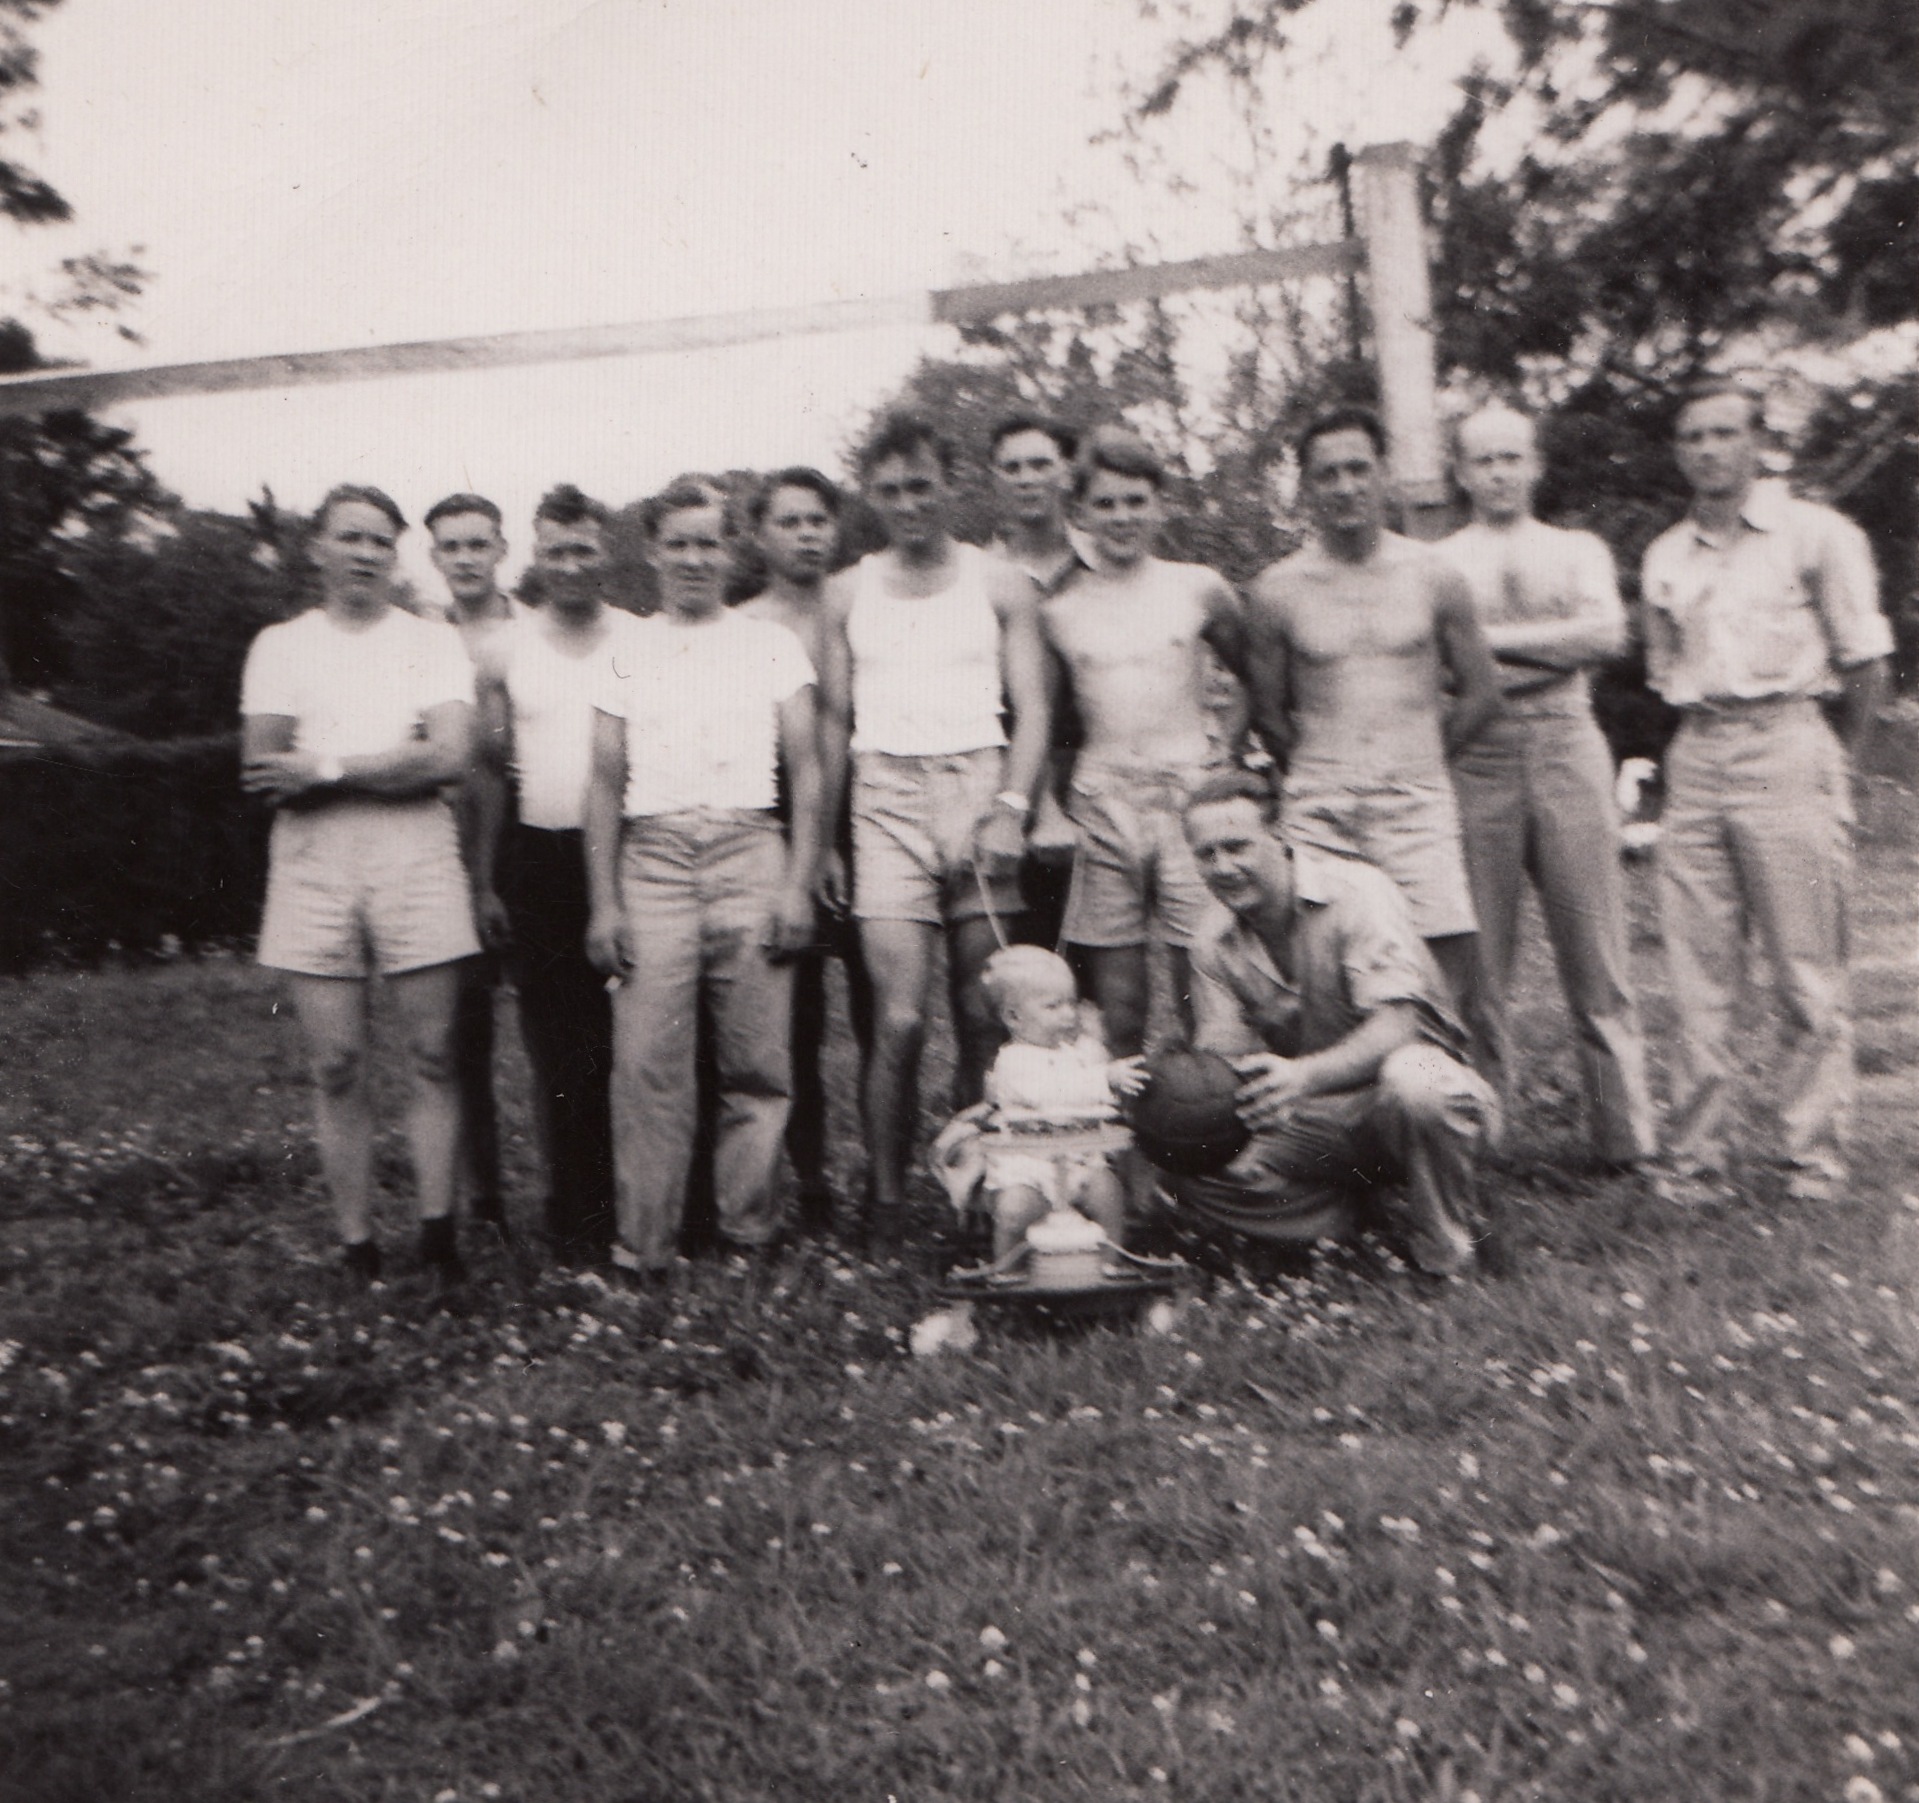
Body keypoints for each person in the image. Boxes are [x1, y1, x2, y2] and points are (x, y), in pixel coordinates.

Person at [1641, 381, 1892, 1203]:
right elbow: (1663, 668)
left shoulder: (1816, 535)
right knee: (1695, 973)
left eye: (1723, 433)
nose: (1706, 449)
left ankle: (1811, 1157)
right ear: (1677, 451)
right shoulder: (1665, 556)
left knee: (1805, 968)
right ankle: (1694, 1159)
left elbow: (1864, 663)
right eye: (1690, 436)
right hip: (1698, 751)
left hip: (1788, 740)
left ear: (1757, 442)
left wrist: (1834, 765)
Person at [817, 411, 1051, 1253]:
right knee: (901, 1019)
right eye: (888, 491)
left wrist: (1009, 810)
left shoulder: (1000, 582)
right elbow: (834, 720)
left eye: (922, 485)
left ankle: (984, 1186)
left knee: (983, 1013)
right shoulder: (847, 590)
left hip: (979, 783)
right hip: (884, 794)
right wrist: (828, 842)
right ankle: (882, 1201)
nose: (908, 503)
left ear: (950, 483)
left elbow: (1034, 709)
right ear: (868, 497)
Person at [586, 479, 823, 1281]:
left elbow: (808, 769)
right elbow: (602, 782)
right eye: (678, 543)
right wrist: (604, 902)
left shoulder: (769, 644)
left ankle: (747, 1233)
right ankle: (645, 1246)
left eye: (708, 542)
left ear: (732, 550)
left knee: (756, 1061)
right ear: (651, 551)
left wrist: (796, 884)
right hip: (651, 858)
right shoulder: (622, 647)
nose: (694, 558)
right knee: (649, 1060)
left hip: (748, 848)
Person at [240, 485, 477, 1285]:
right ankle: (357, 1245)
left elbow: (448, 756)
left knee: (434, 1052)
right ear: (317, 546)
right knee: (337, 1061)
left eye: (381, 540)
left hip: (417, 855)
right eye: (351, 537)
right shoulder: (280, 645)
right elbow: (269, 771)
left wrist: (330, 765)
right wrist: (388, 764)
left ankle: (440, 1236)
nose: (367, 553)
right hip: (313, 864)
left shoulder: (432, 640)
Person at [1170, 771, 1498, 1276]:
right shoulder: (1212, 941)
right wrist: (1170, 1094)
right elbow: (1222, 1056)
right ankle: (1358, 1225)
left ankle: (1447, 1248)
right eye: (1206, 854)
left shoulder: (1357, 892)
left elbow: (1399, 1026)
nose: (1223, 868)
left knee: (1414, 1081)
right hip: (1318, 1115)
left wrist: (1300, 1077)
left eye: (1237, 847)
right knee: (1197, 1163)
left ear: (1277, 836)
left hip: (1425, 1100)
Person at [1440, 404, 1656, 1166]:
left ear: (1535, 464)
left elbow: (1603, 635)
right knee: (1477, 966)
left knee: (1594, 953)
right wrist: (1543, 646)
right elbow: (1438, 663)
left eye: (1511, 456)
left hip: (1567, 738)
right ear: (1460, 472)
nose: (1498, 472)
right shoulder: (1440, 562)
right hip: (1477, 750)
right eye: (1482, 459)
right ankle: (1481, 1139)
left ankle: (1620, 1139)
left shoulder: (1576, 549)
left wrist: (1481, 642)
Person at [1244, 407, 1501, 1008]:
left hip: (1416, 800)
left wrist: (1419, 758)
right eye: (1327, 474)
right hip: (1320, 806)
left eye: (1359, 469)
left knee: (1438, 982)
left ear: (1385, 474)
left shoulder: (1435, 575)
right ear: (1305, 487)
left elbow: (1482, 694)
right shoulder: (1277, 590)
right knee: (1324, 975)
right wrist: (1324, 766)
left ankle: (1449, 1096)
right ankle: (1345, 1099)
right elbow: (1268, 712)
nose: (1346, 487)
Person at [469, 485, 643, 1259]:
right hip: (539, 856)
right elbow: (484, 771)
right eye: (556, 551)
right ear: (535, 557)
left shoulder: (643, 638)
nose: (571, 565)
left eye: (585, 549)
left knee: (631, 1043)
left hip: (633, 852)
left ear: (609, 553)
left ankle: (642, 1202)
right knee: (557, 1047)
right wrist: (482, 880)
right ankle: (574, 1216)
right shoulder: (505, 648)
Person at [1042, 425, 1252, 1054]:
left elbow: (1256, 676)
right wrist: (1050, 809)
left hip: (1191, 797)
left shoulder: (1198, 587)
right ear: (1078, 512)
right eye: (1105, 504)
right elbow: (1054, 727)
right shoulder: (1059, 606)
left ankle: (1213, 1136)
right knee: (1120, 1007)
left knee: (1207, 990)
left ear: (1161, 503)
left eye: (1136, 501)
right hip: (1102, 803)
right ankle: (1118, 1145)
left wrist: (1230, 748)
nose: (1122, 517)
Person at [738, 467, 874, 1231]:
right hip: (782, 821)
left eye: (818, 519)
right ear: (759, 535)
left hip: (877, 812)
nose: (806, 533)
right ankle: (812, 1178)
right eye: (788, 521)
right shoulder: (746, 623)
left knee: (883, 1011)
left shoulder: (863, 605)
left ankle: (888, 1174)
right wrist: (812, 846)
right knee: (795, 1021)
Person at [425, 491, 518, 1235]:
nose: (465, 558)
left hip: (542, 834)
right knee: (462, 1035)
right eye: (450, 546)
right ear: (433, 557)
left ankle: (584, 1189)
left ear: (500, 550)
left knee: (571, 1029)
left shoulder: (532, 633)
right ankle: (484, 1198)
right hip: (455, 846)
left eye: (476, 544)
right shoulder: (418, 639)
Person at [985, 412, 1091, 948]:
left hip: (1098, 772)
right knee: (1029, 957)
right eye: (1012, 467)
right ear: (994, 479)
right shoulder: (976, 577)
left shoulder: (1108, 560)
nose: (1027, 478)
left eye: (1040, 464)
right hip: (1014, 777)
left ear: (1068, 473)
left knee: (1102, 957)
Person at [972, 945, 1143, 1261]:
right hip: (1026, 1166)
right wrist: (1105, 1079)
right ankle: (1005, 1273)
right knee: (1015, 1211)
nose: (1069, 1014)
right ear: (1014, 1017)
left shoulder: (1071, 1051)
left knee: (1108, 1192)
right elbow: (1054, 1093)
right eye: (1053, 1006)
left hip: (1077, 1160)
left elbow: (1092, 1072)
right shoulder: (1012, 1062)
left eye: (1071, 1003)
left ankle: (1111, 1263)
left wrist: (1096, 1044)